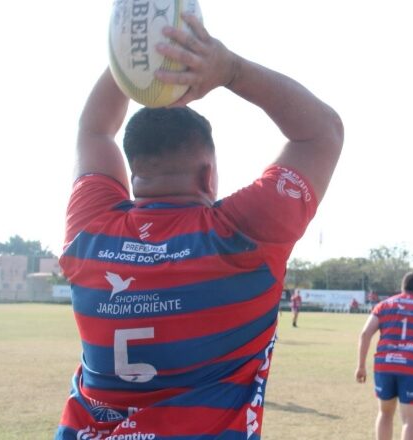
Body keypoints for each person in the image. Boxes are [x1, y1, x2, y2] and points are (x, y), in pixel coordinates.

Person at [56, 15, 343, 439]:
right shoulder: (243, 236)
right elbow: (322, 132)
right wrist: (228, 70)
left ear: (133, 173)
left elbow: (94, 129)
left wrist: (132, 57)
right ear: (208, 174)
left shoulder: (90, 231)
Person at [356, 271, 413, 440]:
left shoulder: (384, 305)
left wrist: (361, 366)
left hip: (385, 365)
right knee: (410, 422)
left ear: (402, 286)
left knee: (384, 413)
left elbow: (365, 334)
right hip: (412, 368)